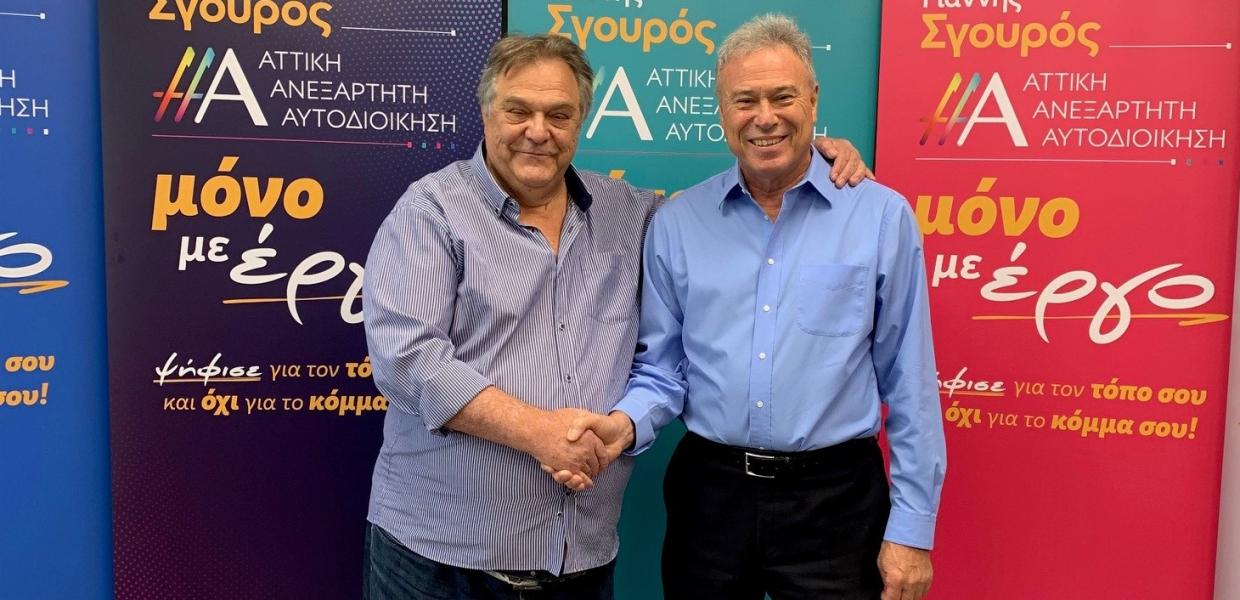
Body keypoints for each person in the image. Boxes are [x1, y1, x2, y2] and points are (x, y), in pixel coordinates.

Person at [361, 33, 869, 599]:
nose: (538, 131)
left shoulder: (634, 214)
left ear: (581, 120)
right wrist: (539, 434)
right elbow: (407, 360)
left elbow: (733, 210)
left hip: (579, 562)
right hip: (439, 561)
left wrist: (808, 158)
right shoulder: (431, 210)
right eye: (518, 111)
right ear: (486, 113)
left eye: (559, 114)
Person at [568, 14, 947, 600]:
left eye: (783, 97)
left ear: (813, 99)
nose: (764, 117)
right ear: (722, 111)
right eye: (745, 100)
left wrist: (912, 531)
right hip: (710, 498)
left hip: (837, 503)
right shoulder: (678, 223)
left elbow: (910, 383)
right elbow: (662, 370)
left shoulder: (880, 217)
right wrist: (622, 426)